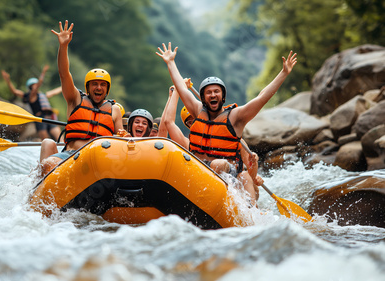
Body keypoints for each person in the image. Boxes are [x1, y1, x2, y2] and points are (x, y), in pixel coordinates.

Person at [156, 42, 297, 205]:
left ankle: (250, 211)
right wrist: (171, 63)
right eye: (208, 92)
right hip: (197, 166)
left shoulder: (236, 117)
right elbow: (181, 88)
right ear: (203, 98)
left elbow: (262, 97)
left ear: (222, 96)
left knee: (226, 167)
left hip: (226, 170)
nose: (212, 95)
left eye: (216, 91)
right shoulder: (196, 109)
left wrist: (283, 73)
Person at [39, 20, 123, 175]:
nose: (98, 87)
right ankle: (37, 186)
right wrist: (63, 46)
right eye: (95, 84)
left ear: (107, 89)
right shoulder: (75, 98)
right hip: (70, 156)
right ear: (88, 87)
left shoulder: (115, 110)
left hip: (99, 160)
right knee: (47, 147)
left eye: (102, 85)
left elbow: (121, 139)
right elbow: (64, 74)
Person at [1, 65, 62, 141]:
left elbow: (55, 92)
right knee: (46, 140)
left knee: (59, 138)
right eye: (34, 86)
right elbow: (14, 91)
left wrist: (66, 85)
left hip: (50, 117)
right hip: (40, 119)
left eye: (36, 85)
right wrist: (8, 80)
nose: (36, 87)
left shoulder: (43, 95)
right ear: (30, 88)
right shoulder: (30, 96)